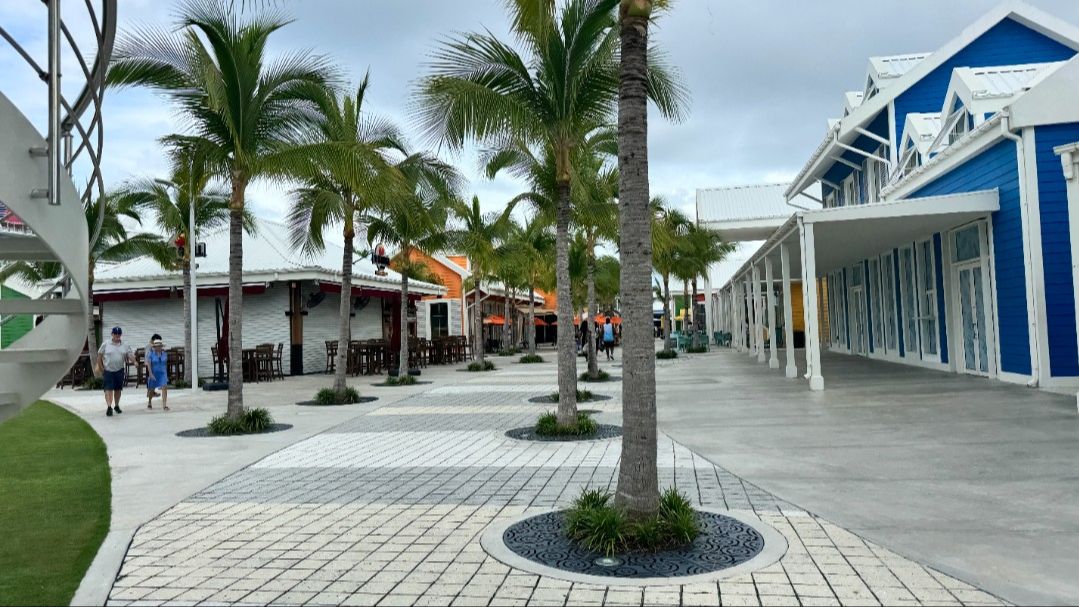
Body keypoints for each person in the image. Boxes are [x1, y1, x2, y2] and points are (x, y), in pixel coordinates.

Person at [97, 326, 134, 416]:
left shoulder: (125, 345)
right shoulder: (106, 344)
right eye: (115, 334)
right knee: (108, 389)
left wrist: (135, 361)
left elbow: (130, 355)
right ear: (112, 334)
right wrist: (101, 368)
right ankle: (109, 407)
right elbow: (99, 356)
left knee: (118, 389)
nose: (117, 335)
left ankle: (116, 405)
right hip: (108, 370)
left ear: (120, 334)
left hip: (119, 370)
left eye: (119, 334)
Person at [145, 335, 169, 411]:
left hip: (162, 373)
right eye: (156, 346)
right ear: (154, 347)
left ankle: (164, 405)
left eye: (159, 346)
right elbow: (148, 365)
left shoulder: (165, 354)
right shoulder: (150, 354)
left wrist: (166, 374)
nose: (158, 348)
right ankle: (149, 402)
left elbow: (165, 364)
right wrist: (150, 374)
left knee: (164, 387)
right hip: (154, 373)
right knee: (151, 389)